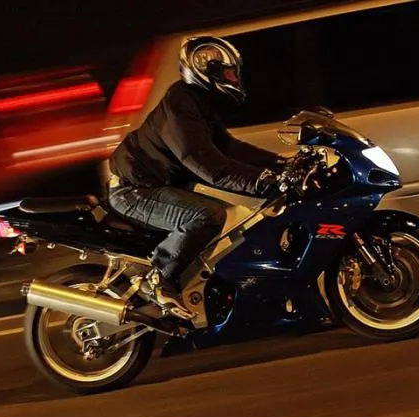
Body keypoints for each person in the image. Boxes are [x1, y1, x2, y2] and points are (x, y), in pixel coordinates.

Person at [107, 36, 285, 316]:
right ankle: (159, 277)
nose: (234, 79)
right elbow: (205, 163)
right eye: (228, 73)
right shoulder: (180, 105)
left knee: (234, 218)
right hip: (135, 191)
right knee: (206, 216)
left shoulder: (198, 104)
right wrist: (261, 180)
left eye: (234, 73)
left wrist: (281, 164)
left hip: (152, 185)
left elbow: (228, 148)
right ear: (205, 72)